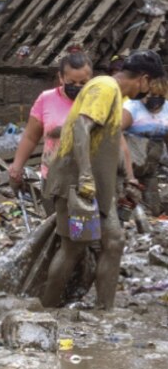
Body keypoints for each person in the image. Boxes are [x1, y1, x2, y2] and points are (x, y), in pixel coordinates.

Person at [41, 49, 165, 310]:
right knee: (73, 247)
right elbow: (80, 127)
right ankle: (47, 309)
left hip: (94, 191)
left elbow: (108, 142)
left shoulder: (113, 94)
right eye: (150, 84)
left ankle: (104, 311)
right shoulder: (106, 88)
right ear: (143, 79)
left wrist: (127, 178)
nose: (148, 91)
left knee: (114, 242)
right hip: (76, 188)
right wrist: (85, 175)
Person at [9, 50, 93, 190]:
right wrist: (16, 167)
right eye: (71, 82)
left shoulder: (97, 101)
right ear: (61, 77)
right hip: (53, 178)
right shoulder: (47, 99)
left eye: (83, 82)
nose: (77, 86)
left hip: (87, 180)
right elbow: (30, 137)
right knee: (55, 212)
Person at [121, 83, 168, 217]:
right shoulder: (130, 109)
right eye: (152, 95)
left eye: (160, 96)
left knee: (153, 210)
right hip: (127, 171)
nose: (156, 99)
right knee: (127, 211)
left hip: (150, 169)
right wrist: (128, 176)